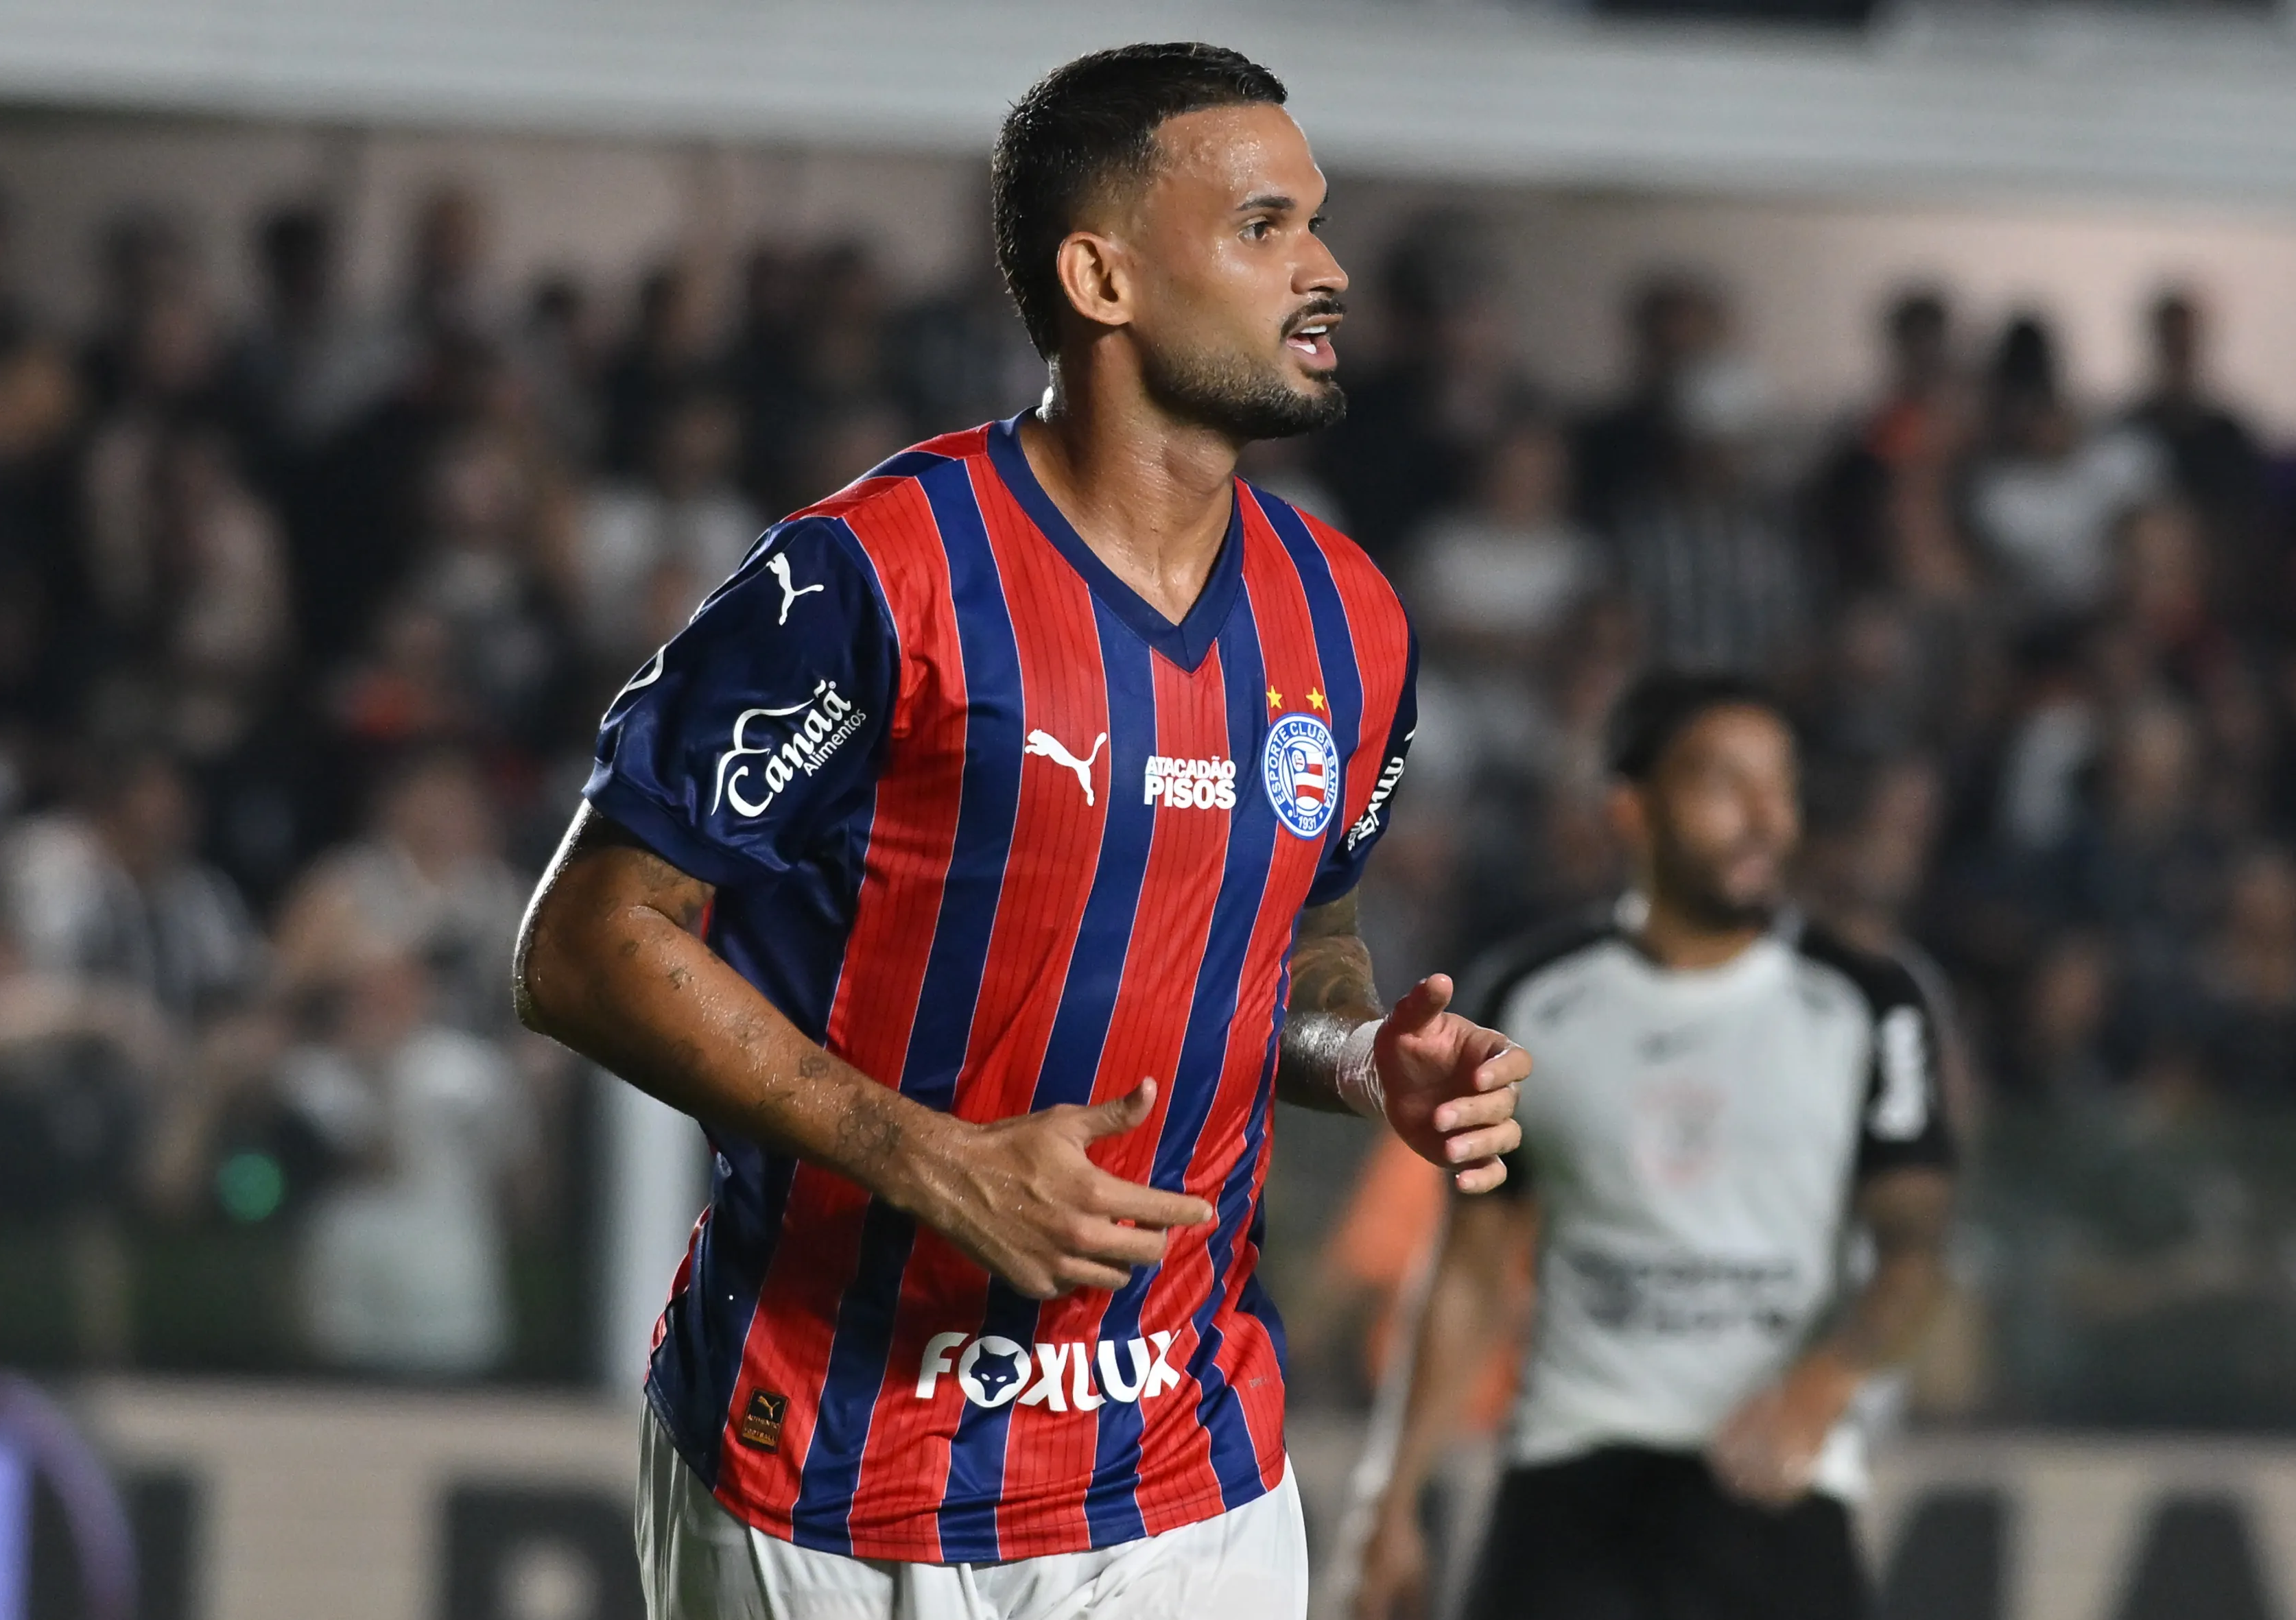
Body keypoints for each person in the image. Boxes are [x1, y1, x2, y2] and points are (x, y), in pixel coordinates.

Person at [513, 42, 1530, 1620]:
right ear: (1099, 275)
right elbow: (583, 944)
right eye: (1265, 227)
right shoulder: (872, 579)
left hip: (1177, 1467)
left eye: (1315, 224)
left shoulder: (1353, 624)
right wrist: (931, 1160)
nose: (1325, 270)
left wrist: (1353, 1054)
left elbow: (1297, 932)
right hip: (824, 1456)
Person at [1357, 671, 1958, 1620]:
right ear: (1630, 809)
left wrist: (1826, 1378)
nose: (1763, 817)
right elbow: (1469, 1262)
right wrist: (1389, 1502)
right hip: (1571, 1476)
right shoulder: (1530, 995)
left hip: (1775, 1487)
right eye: (1724, 783)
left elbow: (1914, 1250)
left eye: (1780, 787)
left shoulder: (1868, 1002)